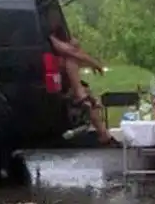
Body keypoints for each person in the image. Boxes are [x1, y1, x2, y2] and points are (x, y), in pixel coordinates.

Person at [45, 11, 120, 147]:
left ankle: (103, 133)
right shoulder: (49, 38)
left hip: (68, 80)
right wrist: (94, 63)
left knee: (88, 99)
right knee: (71, 59)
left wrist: (89, 62)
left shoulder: (61, 38)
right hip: (60, 81)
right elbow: (71, 52)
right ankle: (81, 94)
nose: (55, 19)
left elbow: (75, 51)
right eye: (53, 16)